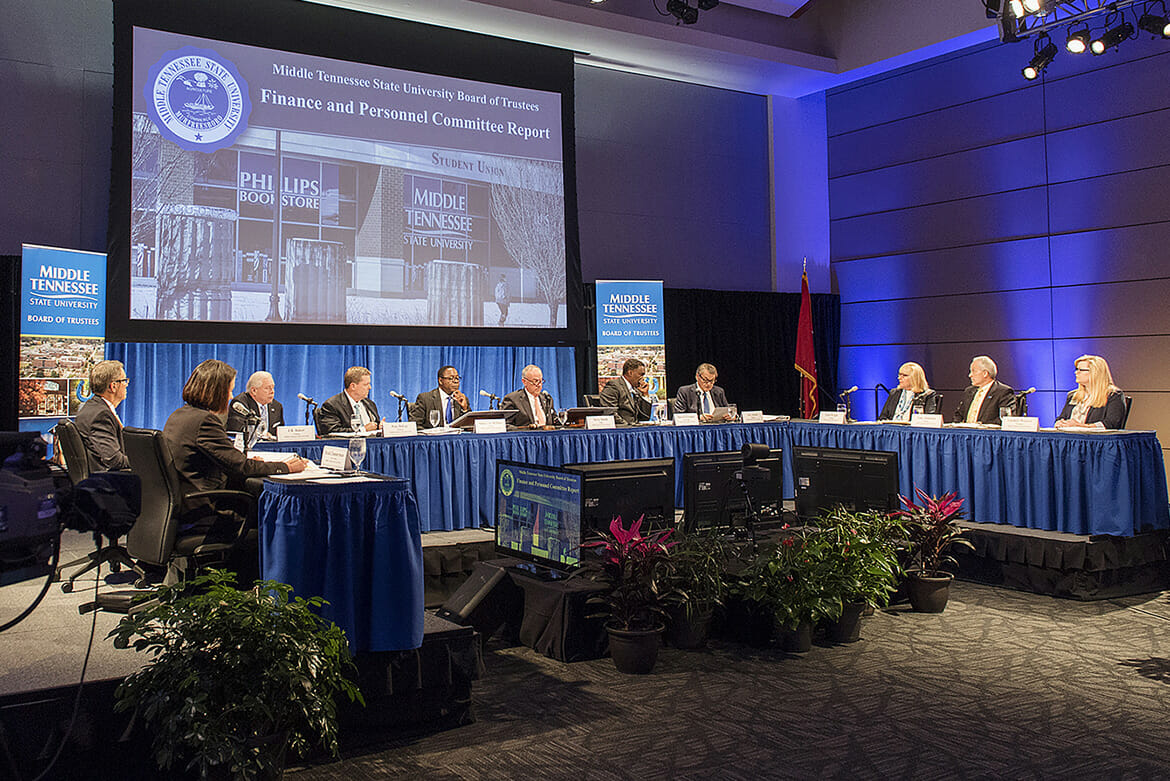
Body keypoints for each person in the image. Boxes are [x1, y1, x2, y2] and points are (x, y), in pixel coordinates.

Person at [163, 359, 307, 501]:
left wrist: (244, 460)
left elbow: (225, 459)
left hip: (183, 498)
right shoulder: (205, 421)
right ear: (216, 392)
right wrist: (285, 467)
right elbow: (241, 467)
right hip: (205, 503)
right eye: (229, 390)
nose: (231, 396)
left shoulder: (178, 415)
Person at [74, 359, 131, 471]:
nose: (126, 384)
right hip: (109, 478)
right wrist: (144, 461)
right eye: (124, 381)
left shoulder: (92, 407)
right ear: (113, 386)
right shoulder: (101, 415)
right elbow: (114, 460)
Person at [1055, 354, 1127, 430]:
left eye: (1081, 370)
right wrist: (1059, 422)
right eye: (1076, 369)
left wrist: (1081, 426)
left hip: (1095, 437)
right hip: (1069, 436)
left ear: (1095, 372)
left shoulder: (1113, 395)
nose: (1076, 372)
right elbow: (1061, 417)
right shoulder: (1073, 395)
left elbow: (1111, 424)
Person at [317, 366, 383, 435]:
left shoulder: (370, 404)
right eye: (366, 384)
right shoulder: (332, 405)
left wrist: (380, 426)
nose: (370, 387)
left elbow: (374, 426)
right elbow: (332, 431)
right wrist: (363, 429)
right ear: (353, 386)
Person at [953, 356, 1015, 425]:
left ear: (985, 373)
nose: (970, 375)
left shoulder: (1003, 392)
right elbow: (958, 415)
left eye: (974, 371)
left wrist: (981, 425)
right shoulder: (969, 391)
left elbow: (1005, 419)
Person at [225, 370, 284, 439]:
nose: (272, 391)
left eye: (273, 387)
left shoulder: (277, 406)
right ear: (254, 391)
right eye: (267, 388)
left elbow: (281, 434)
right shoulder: (240, 404)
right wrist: (262, 435)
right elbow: (237, 430)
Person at [599, 358, 653, 425]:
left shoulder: (636, 390)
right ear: (630, 373)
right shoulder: (614, 386)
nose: (642, 378)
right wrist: (628, 427)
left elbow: (645, 417)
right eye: (641, 374)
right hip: (622, 429)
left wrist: (645, 395)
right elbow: (609, 412)